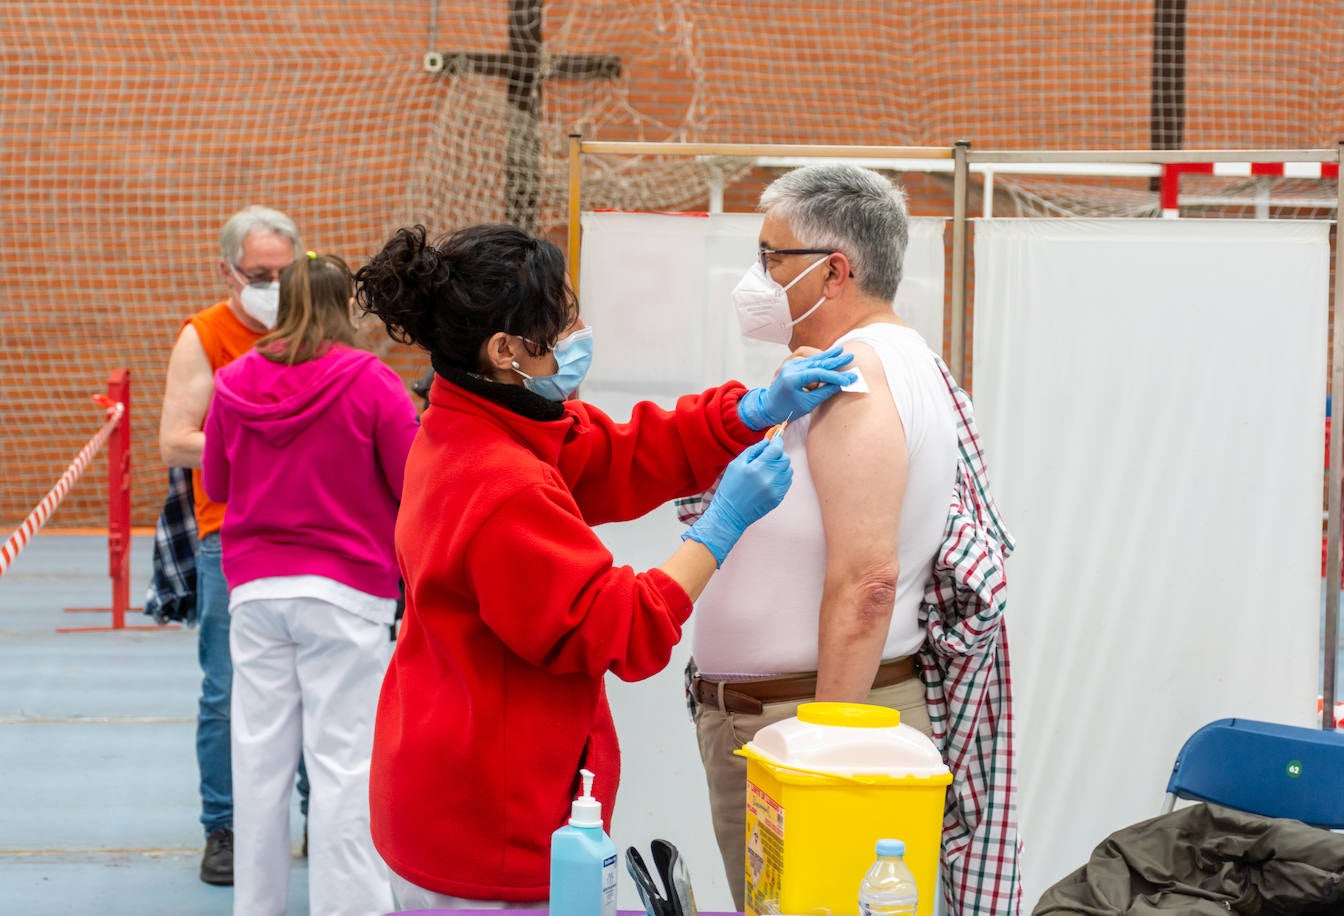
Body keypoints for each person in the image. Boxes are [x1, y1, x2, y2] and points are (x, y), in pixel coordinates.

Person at [356, 224, 856, 909]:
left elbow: (610, 454)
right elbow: (619, 627)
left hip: (450, 786)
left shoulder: (474, 419)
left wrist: (747, 410)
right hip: (487, 829)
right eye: (556, 327)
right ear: (505, 350)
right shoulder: (502, 485)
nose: (575, 334)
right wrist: (721, 526)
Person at [681, 164, 1020, 916]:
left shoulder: (861, 374)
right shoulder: (871, 365)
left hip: (809, 722)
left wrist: (826, 758)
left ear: (835, 271)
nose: (756, 278)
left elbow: (868, 581)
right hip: (784, 720)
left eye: (772, 258)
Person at [202, 251, 417, 915]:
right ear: (347, 305)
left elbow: (214, 483)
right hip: (346, 593)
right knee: (343, 762)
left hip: (258, 590)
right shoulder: (373, 382)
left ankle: (256, 906)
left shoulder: (233, 381)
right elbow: (413, 482)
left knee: (259, 760)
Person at [157, 205, 308, 885]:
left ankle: (324, 812)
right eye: (259, 274)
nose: (272, 285)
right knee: (226, 689)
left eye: (284, 273)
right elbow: (174, 440)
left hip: (312, 534)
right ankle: (224, 827)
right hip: (232, 531)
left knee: (317, 686)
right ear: (228, 271)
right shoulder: (206, 336)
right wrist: (265, 443)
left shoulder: (311, 332)